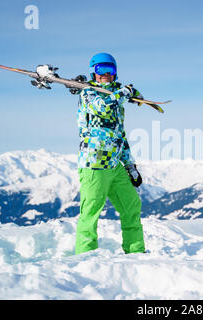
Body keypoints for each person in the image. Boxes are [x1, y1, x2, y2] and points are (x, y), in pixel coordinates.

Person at [72, 52, 146, 255]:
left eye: (110, 70)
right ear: (93, 73)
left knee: (132, 206)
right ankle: (85, 257)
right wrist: (125, 93)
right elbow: (103, 108)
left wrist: (130, 166)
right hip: (94, 164)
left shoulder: (117, 99)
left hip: (114, 165)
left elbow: (119, 135)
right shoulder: (88, 93)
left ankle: (136, 253)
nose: (105, 74)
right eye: (100, 70)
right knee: (91, 212)